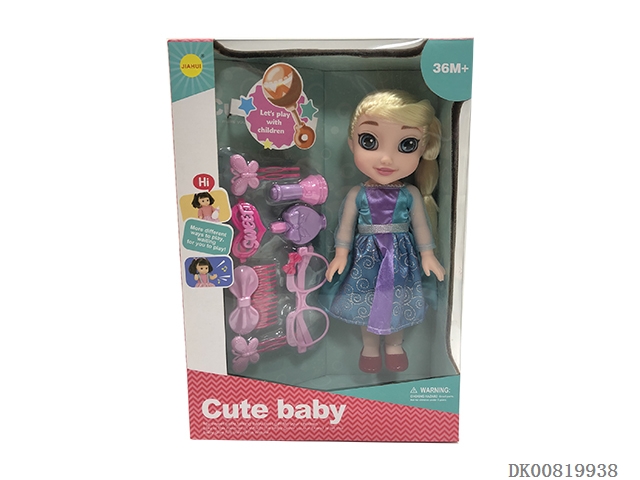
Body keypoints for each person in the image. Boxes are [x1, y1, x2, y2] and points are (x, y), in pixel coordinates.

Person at [324, 90, 445, 373]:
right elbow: (345, 227)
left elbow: (421, 226)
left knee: (395, 303)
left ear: (423, 148)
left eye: (407, 145)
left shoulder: (410, 193)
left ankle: (394, 345)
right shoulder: (357, 194)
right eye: (369, 141)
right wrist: (340, 254)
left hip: (400, 260)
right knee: (367, 304)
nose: (387, 159)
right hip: (366, 260)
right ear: (352, 143)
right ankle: (369, 347)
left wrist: (428, 255)